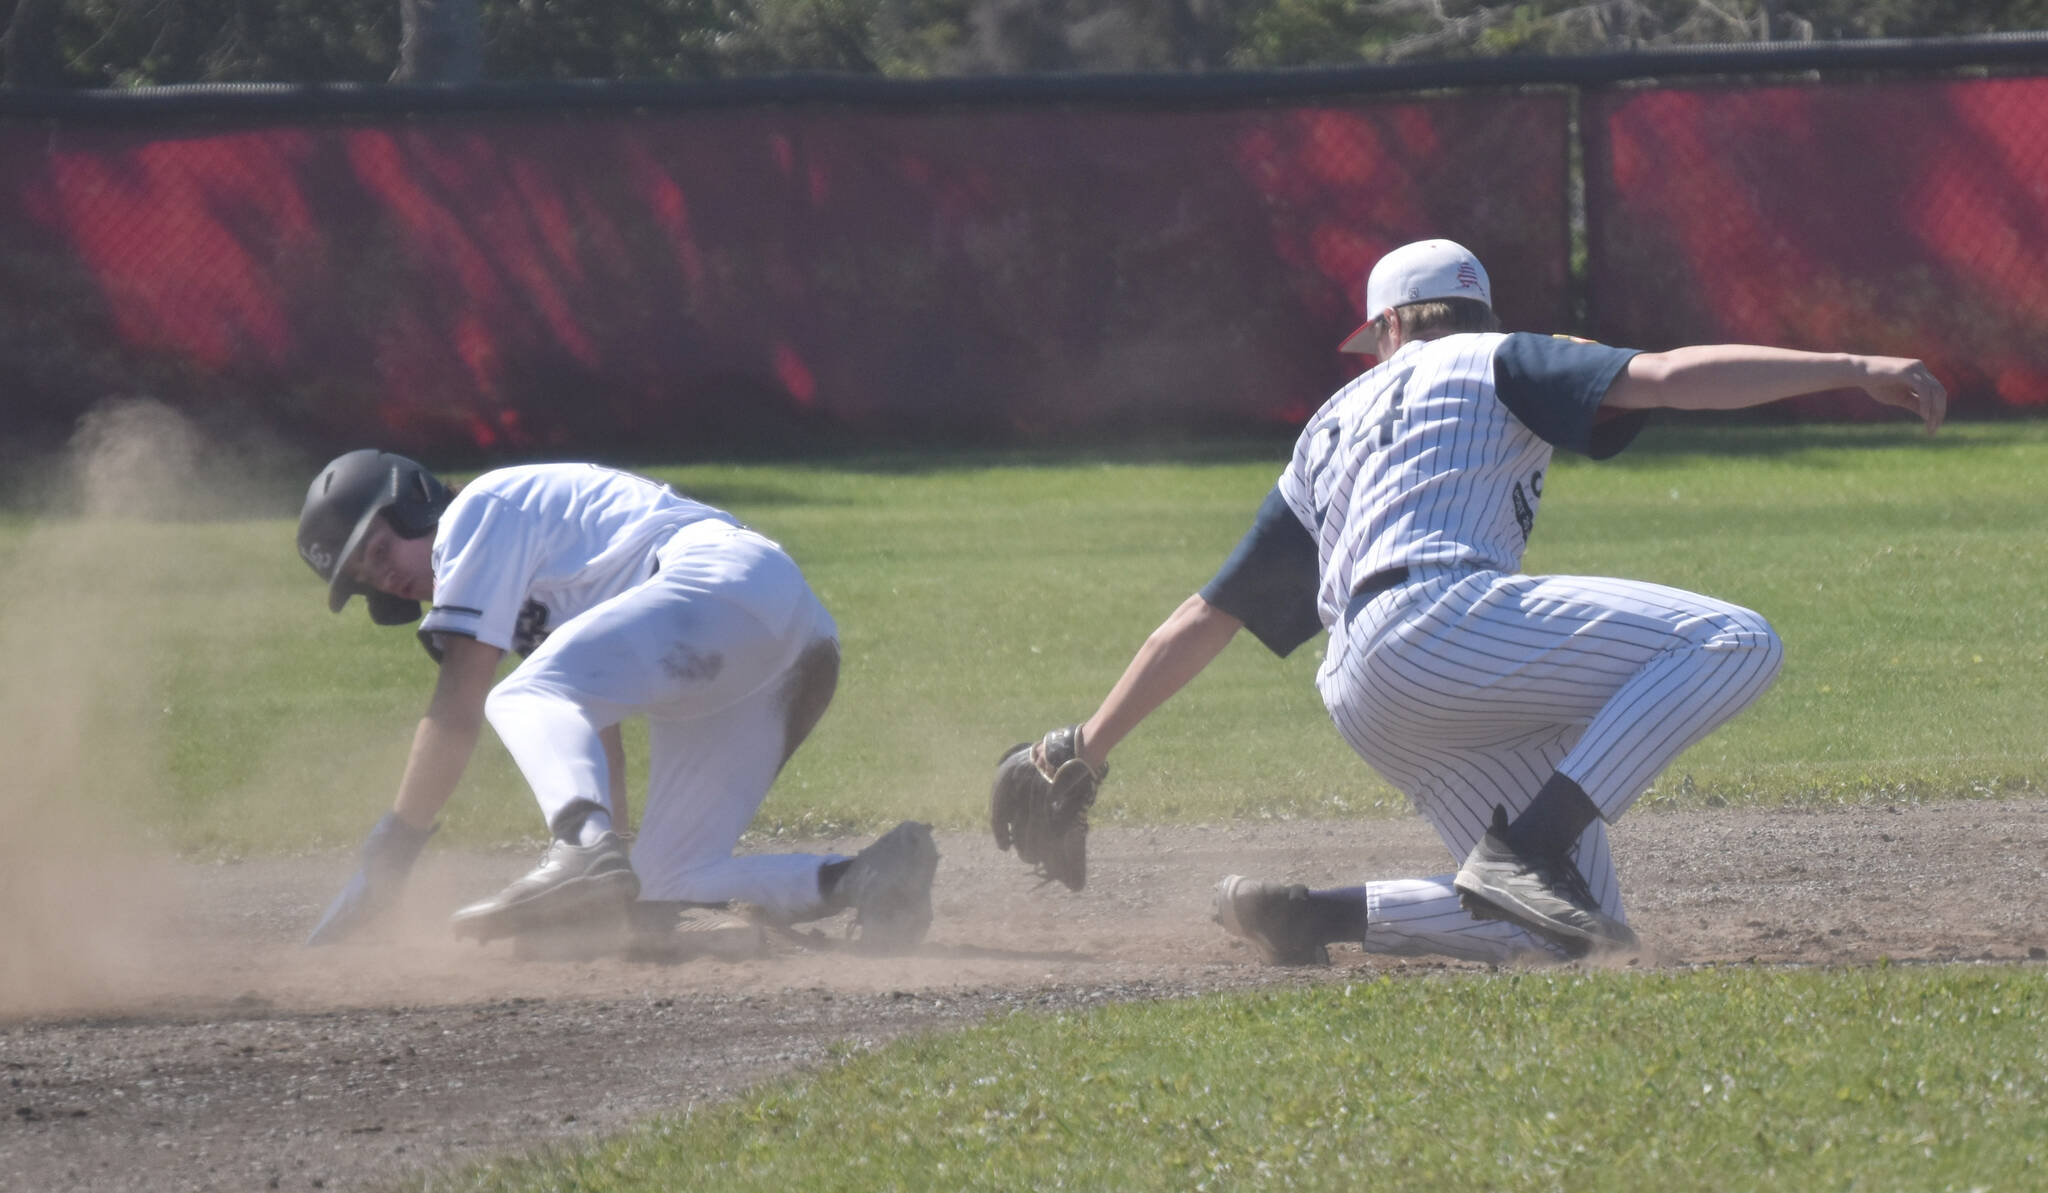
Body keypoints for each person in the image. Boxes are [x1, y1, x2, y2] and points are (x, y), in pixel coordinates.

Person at [1004, 239, 1945, 965]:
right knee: (1733, 640)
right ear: (1473, 311)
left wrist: (1081, 745)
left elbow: (1207, 615)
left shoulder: (1331, 426)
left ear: (1386, 328)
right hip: (1447, 625)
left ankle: (1307, 913)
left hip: (1366, 691)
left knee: (1577, 930)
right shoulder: (1499, 355)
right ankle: (1528, 844)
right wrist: (1851, 366)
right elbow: (1671, 375)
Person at [294, 452, 937, 951]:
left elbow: (460, 696)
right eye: (368, 576)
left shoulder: (475, 513)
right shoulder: (518, 585)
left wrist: (397, 844)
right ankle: (866, 878)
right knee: (665, 882)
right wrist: (613, 890)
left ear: (411, 503)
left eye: (381, 549)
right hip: (787, 644)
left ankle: (578, 849)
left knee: (520, 695)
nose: (388, 577)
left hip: (719, 584)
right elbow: (597, 739)